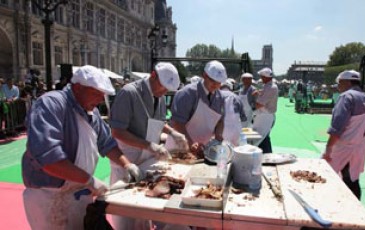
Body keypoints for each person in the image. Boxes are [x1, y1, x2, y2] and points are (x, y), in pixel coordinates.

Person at [21, 65, 143, 230]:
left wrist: (127, 164)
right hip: (48, 197)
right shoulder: (51, 105)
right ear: (78, 87)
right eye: (96, 94)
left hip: (78, 194)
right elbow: (49, 159)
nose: (100, 100)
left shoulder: (92, 113)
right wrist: (89, 180)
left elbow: (107, 144)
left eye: (103, 95)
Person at [109, 62, 188, 229]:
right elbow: (117, 131)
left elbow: (158, 122)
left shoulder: (159, 97)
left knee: (145, 215)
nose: (163, 92)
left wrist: (173, 132)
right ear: (153, 75)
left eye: (168, 90)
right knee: (126, 219)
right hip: (126, 163)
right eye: (162, 87)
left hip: (146, 162)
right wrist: (149, 145)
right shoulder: (128, 93)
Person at [322, 70, 365, 200]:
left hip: (342, 146)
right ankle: (356, 210)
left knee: (326, 175)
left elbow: (337, 127)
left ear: (346, 82)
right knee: (352, 180)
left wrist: (328, 149)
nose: (338, 86)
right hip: (359, 147)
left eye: (339, 83)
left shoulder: (346, 97)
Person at [170, 60, 227, 151]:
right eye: (212, 80)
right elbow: (178, 124)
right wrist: (190, 143)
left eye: (219, 82)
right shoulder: (187, 93)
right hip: (179, 146)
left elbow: (220, 122)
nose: (215, 84)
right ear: (204, 75)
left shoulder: (220, 97)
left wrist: (218, 137)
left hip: (203, 148)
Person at [252, 67, 278, 153]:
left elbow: (259, 104)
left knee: (262, 136)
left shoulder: (270, 87)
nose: (261, 78)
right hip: (264, 115)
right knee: (263, 136)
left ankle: (267, 154)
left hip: (266, 116)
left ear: (266, 77)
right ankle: (265, 153)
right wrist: (259, 92)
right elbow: (264, 93)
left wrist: (254, 99)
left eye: (262, 76)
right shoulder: (268, 86)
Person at [220, 81, 247, 146]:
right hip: (236, 129)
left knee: (223, 151)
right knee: (238, 150)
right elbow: (243, 118)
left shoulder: (216, 95)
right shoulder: (237, 97)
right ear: (231, 88)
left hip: (221, 129)